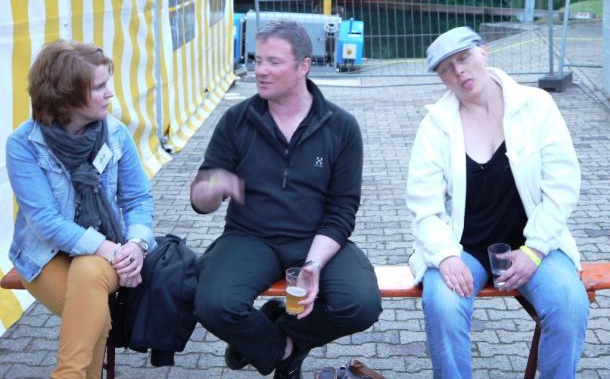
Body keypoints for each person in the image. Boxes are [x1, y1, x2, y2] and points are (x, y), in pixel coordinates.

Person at [190, 20, 382, 378]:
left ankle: (276, 332)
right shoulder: (236, 121)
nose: (260, 70)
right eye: (257, 60)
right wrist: (209, 188)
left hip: (315, 237)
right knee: (214, 304)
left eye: (274, 62)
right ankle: (285, 351)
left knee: (361, 304)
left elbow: (342, 210)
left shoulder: (341, 126)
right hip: (248, 237)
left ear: (303, 66)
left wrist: (313, 266)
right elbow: (202, 204)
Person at [406, 26, 590, 378]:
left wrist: (535, 250)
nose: (459, 71)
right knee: (443, 305)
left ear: (484, 52)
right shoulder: (435, 126)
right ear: (441, 78)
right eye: (446, 68)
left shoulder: (536, 106)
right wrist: (445, 256)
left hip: (534, 245)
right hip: (463, 249)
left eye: (464, 58)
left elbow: (562, 187)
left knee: (568, 303)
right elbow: (424, 207)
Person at [6, 39, 156, 378]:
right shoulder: (24, 144)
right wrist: (108, 248)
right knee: (94, 317)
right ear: (67, 95)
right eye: (99, 86)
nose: (110, 93)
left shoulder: (115, 134)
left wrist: (136, 244)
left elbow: (138, 200)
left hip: (104, 254)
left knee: (89, 276)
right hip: (44, 254)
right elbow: (46, 222)